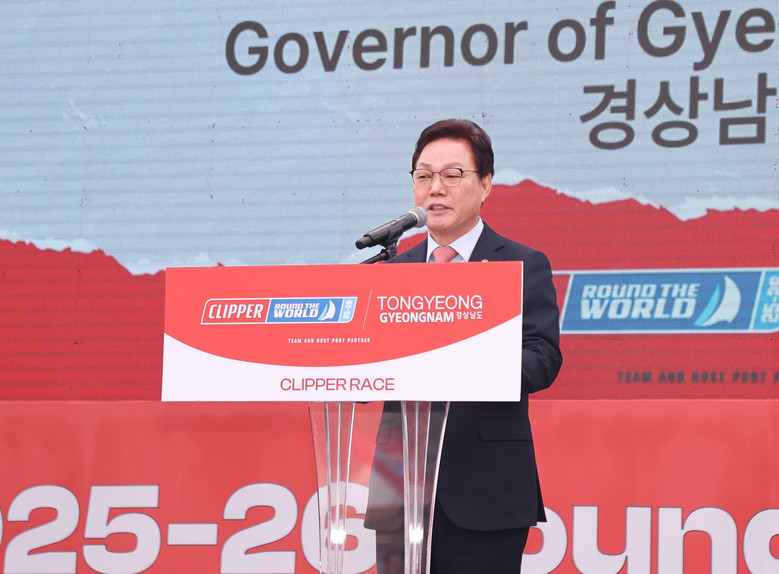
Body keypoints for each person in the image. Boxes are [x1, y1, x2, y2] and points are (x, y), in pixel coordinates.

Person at [364, 118, 563, 573]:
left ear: (486, 184)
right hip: (400, 487)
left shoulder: (522, 264)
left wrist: (466, 359)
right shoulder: (390, 274)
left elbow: (542, 359)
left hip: (486, 488)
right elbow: (364, 370)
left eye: (452, 175)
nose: (436, 188)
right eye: (424, 176)